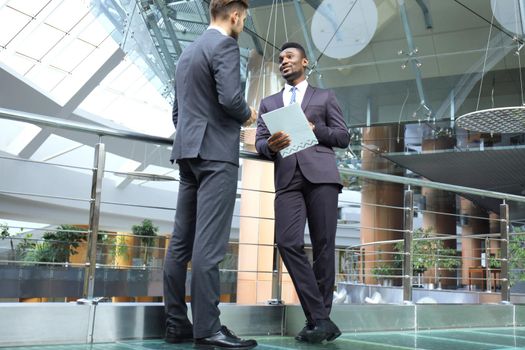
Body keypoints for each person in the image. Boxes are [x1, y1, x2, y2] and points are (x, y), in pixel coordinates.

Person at [163, 0, 258, 348]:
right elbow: (232, 100)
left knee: (181, 242)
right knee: (209, 246)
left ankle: (176, 323)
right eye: (244, 18)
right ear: (235, 15)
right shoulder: (225, 46)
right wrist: (249, 114)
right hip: (216, 153)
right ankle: (209, 329)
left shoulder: (187, 53)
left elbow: (178, 113)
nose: (243, 24)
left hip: (187, 152)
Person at [255, 42, 350, 343]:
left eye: (290, 57)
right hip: (287, 179)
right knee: (286, 241)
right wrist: (269, 146)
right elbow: (259, 143)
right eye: (280, 58)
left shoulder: (324, 97)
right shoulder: (269, 103)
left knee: (324, 247)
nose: (283, 61)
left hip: (321, 176)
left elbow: (343, 136)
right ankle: (321, 319)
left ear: (305, 62)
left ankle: (317, 322)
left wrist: (314, 129)